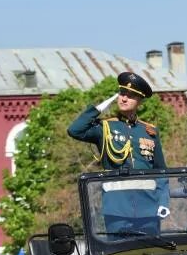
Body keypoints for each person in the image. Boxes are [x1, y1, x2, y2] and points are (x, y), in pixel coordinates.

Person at [67, 72, 169, 234]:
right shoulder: (104, 128)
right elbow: (74, 130)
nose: (124, 99)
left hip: (148, 207)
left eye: (130, 96)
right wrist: (100, 107)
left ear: (140, 101)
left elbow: (161, 171)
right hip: (117, 209)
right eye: (122, 94)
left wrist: (163, 201)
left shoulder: (149, 131)